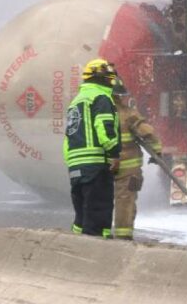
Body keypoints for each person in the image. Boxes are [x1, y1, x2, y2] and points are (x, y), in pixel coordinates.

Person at [64, 58, 121, 238]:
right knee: (98, 214)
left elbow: (69, 137)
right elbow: (104, 128)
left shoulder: (77, 101)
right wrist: (113, 154)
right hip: (96, 165)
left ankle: (75, 251)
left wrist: (72, 163)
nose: (112, 82)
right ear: (102, 78)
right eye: (109, 78)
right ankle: (97, 256)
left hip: (76, 168)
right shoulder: (101, 97)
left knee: (81, 217)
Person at [111, 78, 162, 241]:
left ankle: (97, 234)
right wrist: (157, 151)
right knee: (125, 202)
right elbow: (147, 133)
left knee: (100, 200)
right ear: (119, 96)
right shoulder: (128, 113)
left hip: (101, 165)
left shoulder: (94, 113)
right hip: (127, 168)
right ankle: (123, 236)